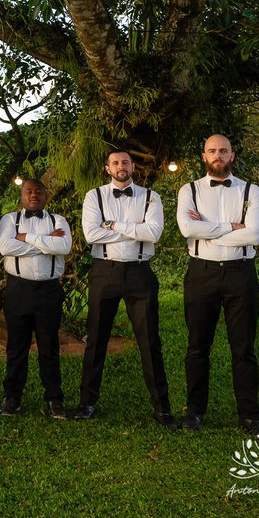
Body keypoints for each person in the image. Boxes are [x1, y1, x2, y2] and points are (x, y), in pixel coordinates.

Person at [177, 134, 259, 439]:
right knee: (197, 347)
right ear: (204, 156)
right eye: (212, 151)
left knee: (243, 348)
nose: (217, 155)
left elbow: (255, 235)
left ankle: (249, 417)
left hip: (240, 273)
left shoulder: (252, 191)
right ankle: (195, 412)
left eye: (223, 150)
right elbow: (187, 229)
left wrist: (209, 232)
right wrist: (233, 227)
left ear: (232, 155)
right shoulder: (188, 190)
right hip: (201, 273)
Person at [75, 150, 175, 428]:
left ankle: (162, 408)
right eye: (116, 162)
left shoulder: (150, 197)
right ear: (108, 168)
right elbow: (91, 234)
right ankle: (87, 402)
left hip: (139, 272)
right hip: (104, 271)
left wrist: (112, 224)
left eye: (126, 162)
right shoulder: (94, 196)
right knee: (96, 339)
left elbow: (154, 233)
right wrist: (135, 228)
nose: (121, 166)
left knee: (149, 340)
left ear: (133, 167)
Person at [0, 179, 72, 419]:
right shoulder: (10, 220)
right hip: (18, 289)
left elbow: (64, 246)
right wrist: (46, 241)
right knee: (16, 347)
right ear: (22, 197)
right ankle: (12, 397)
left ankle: (54, 398)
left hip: (49, 290)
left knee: (49, 346)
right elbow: (6, 247)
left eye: (39, 191)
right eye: (29, 192)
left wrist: (25, 238)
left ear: (45, 195)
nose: (34, 195)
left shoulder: (57, 221)